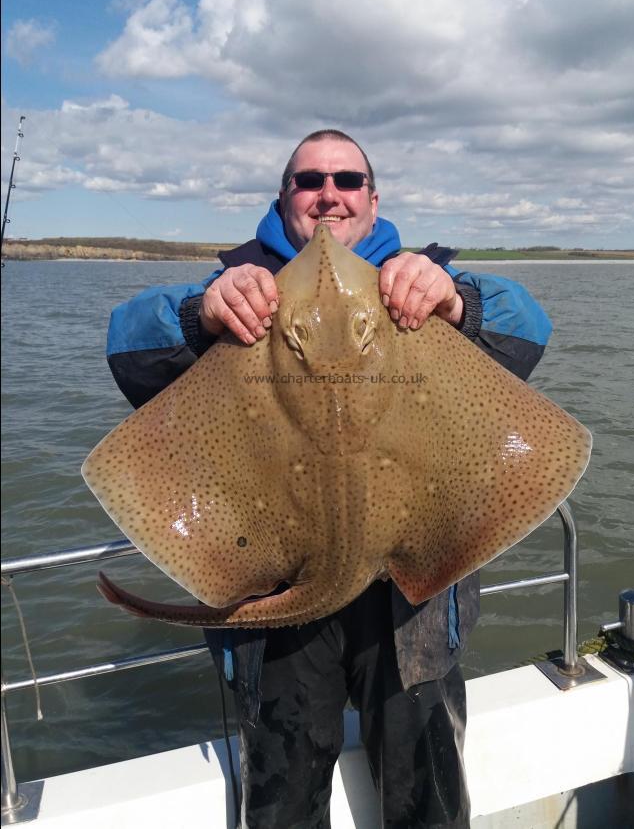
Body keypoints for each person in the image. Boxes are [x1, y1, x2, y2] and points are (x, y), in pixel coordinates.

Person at [106, 129, 552, 828]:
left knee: (426, 793)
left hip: (413, 596)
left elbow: (528, 327)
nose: (328, 194)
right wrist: (201, 314)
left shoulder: (424, 280)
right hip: (278, 585)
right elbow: (128, 343)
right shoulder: (236, 286)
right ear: (283, 199)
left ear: (373, 200)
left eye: (347, 180)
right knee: (283, 799)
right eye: (308, 180)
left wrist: (459, 300)